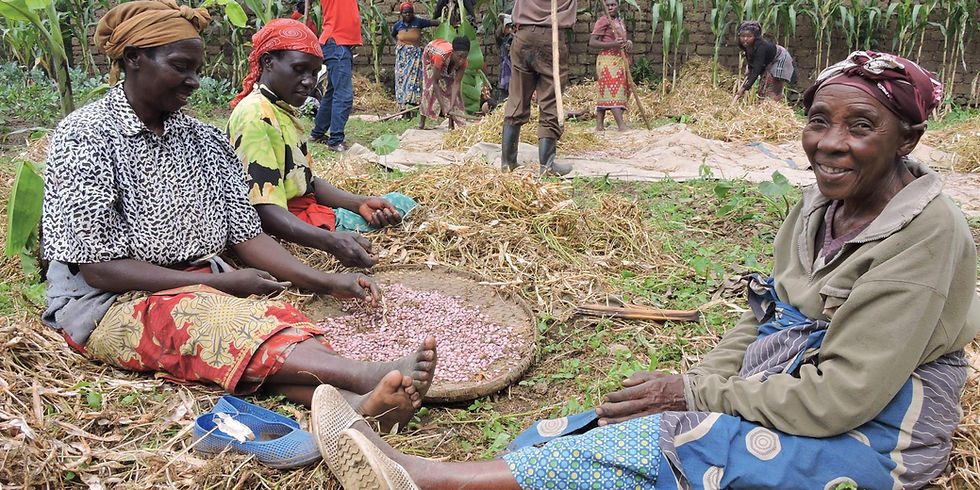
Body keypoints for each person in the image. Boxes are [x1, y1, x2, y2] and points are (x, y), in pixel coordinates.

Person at [314, 51, 980, 489]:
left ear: (909, 139)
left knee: (673, 439)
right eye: (818, 121)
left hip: (872, 435)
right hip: (787, 386)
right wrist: (698, 382)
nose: (830, 144)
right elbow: (766, 318)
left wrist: (696, 399)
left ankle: (429, 482)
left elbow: (842, 398)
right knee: (589, 429)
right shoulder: (818, 207)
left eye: (860, 126)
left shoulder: (924, 236)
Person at [41, 1, 437, 432]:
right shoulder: (85, 137)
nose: (194, 81)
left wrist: (327, 281)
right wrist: (218, 282)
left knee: (270, 323)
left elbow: (248, 235)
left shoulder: (203, 141)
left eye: (197, 68)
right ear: (134, 58)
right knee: (216, 323)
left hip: (200, 281)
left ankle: (356, 404)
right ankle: (364, 374)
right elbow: (101, 270)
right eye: (181, 67)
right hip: (110, 301)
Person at [228, 19, 418, 270]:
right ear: (268, 62)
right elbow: (263, 210)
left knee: (393, 203)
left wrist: (359, 202)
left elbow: (305, 181)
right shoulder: (255, 115)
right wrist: (331, 241)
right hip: (292, 228)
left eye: (313, 73)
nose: (309, 82)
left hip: (305, 216)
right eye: (299, 69)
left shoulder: (279, 109)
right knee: (404, 206)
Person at [500, 0, 576, 176]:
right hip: (550, 37)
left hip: (524, 36)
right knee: (549, 100)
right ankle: (547, 165)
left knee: (517, 99)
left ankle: (508, 162)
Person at [309, 0, 361, 151]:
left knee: (333, 93)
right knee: (343, 95)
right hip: (336, 43)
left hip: (337, 44)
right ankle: (336, 140)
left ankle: (317, 133)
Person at [589, 0, 632, 132]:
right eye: (608, 5)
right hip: (607, 61)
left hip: (619, 60)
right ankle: (621, 125)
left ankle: (599, 126)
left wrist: (628, 42)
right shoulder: (603, 21)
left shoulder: (619, 21)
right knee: (613, 91)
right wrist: (613, 45)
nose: (610, 7)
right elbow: (592, 42)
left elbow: (621, 41)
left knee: (607, 92)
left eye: (613, 5)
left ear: (618, 6)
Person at [390, 2, 440, 109]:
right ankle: (402, 102)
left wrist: (445, 22)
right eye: (405, 13)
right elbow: (393, 35)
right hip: (402, 57)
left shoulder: (418, 22)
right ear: (401, 13)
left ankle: (413, 102)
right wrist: (397, 45)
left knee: (415, 77)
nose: (407, 14)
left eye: (409, 12)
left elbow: (432, 23)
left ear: (413, 13)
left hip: (414, 57)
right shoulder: (398, 25)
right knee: (401, 79)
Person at [733, 20, 795, 103]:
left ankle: (773, 104)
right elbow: (752, 62)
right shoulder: (746, 46)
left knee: (772, 84)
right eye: (742, 36)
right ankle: (763, 104)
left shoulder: (761, 47)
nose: (745, 39)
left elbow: (757, 69)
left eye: (749, 36)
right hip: (768, 62)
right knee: (762, 85)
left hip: (780, 59)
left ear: (755, 37)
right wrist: (750, 70)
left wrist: (744, 88)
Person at [418, 36, 469, 130]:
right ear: (453, 52)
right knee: (429, 88)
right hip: (430, 56)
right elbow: (435, 82)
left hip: (445, 59)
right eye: (460, 56)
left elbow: (456, 83)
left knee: (451, 89)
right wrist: (443, 106)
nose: (461, 60)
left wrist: (452, 104)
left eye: (464, 57)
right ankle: (422, 122)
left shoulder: (464, 62)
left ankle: (451, 125)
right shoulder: (440, 56)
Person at [494, 13, 515, 100]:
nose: (510, 30)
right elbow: (498, 35)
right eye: (507, 27)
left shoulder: (514, 38)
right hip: (506, 74)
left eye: (511, 27)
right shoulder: (503, 41)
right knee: (504, 98)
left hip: (514, 73)